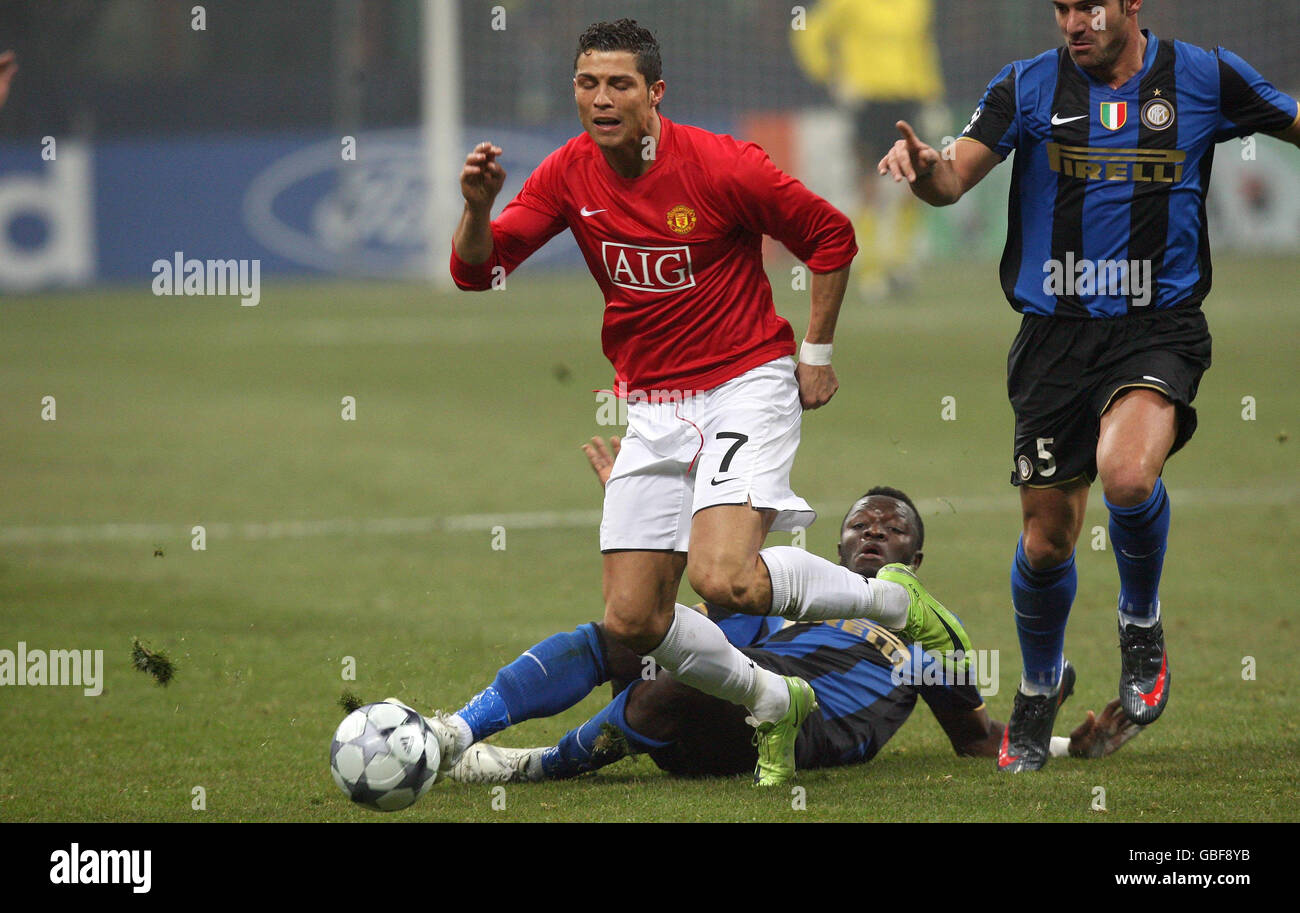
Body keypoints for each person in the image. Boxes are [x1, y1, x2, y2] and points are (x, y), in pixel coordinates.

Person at [448, 18, 973, 786]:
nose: (601, 98)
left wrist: (815, 355)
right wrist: (475, 210)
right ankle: (773, 699)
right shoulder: (568, 172)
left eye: (619, 83)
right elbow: (478, 271)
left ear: (655, 92)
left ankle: (891, 600)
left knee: (722, 577)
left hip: (746, 380)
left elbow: (831, 236)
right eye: (588, 83)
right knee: (634, 621)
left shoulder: (724, 166)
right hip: (655, 405)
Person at [877, 0, 1300, 771]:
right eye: (1062, 7)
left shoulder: (1203, 76)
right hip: (1053, 341)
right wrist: (923, 169)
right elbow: (954, 179)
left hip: (1157, 325)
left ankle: (1141, 623)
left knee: (1127, 473)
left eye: (1090, 6)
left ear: (1132, 5)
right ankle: (1041, 686)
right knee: (1047, 541)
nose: (1074, 21)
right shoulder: (1026, 86)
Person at [417, 438, 1140, 785]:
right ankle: (462, 726)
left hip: (804, 732)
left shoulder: (930, 640)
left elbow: (979, 739)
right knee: (623, 635)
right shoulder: (774, 605)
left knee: (669, 690)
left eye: (894, 529)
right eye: (862, 524)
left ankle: (535, 765)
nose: (876, 531)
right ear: (834, 546)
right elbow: (679, 621)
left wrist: (1072, 744)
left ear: (914, 562)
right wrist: (648, 517)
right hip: (727, 704)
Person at [791, 0, 944, 299]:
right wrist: (830, 75)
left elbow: (923, 48)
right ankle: (872, 269)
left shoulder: (917, 5)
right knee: (868, 184)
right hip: (867, 100)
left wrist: (932, 95)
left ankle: (900, 263)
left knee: (916, 181)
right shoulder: (847, 3)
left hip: (907, 98)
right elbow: (807, 32)